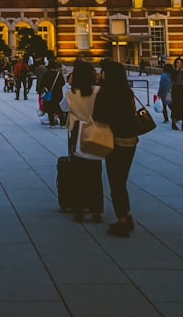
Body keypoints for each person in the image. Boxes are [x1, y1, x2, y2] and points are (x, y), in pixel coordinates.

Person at [94, 60, 141, 236]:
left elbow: (98, 116)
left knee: (116, 182)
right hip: (131, 140)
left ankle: (122, 219)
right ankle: (126, 215)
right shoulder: (127, 91)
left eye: (103, 71)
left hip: (115, 140)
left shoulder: (105, 93)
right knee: (122, 180)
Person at [63, 60, 104, 223]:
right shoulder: (98, 91)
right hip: (95, 132)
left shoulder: (71, 93)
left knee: (77, 173)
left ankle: (78, 209)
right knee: (95, 172)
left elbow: (64, 108)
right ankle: (96, 210)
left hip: (76, 133)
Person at [38, 61, 67, 127]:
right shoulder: (58, 75)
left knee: (49, 108)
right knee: (58, 107)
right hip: (57, 93)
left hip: (48, 93)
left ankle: (52, 123)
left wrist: (40, 92)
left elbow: (42, 84)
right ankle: (62, 122)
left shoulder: (46, 74)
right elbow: (63, 83)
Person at [169, 57, 183, 130]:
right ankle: (173, 123)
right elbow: (173, 78)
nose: (179, 64)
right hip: (176, 90)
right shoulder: (173, 71)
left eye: (180, 63)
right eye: (178, 63)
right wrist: (176, 70)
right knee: (175, 107)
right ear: (175, 64)